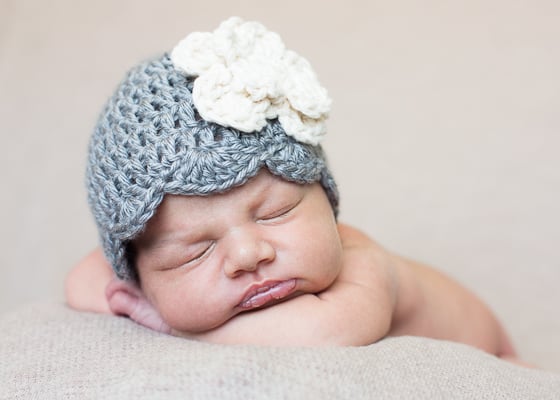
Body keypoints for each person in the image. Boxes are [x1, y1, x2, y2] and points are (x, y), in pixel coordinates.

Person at [66, 17, 520, 362]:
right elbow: (86, 279)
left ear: (326, 200)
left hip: (504, 360)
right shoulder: (139, 270)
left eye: (275, 212)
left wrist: (168, 322)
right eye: (195, 251)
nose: (249, 255)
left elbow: (323, 334)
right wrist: (140, 294)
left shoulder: (367, 267)